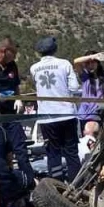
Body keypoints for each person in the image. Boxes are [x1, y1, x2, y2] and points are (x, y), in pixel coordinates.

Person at [29, 36, 82, 181]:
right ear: (55, 49)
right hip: (66, 114)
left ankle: (56, 184)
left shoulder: (34, 68)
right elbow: (74, 87)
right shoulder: (64, 64)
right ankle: (76, 184)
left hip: (46, 117)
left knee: (52, 153)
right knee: (71, 152)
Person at [77, 52, 104, 134]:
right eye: (88, 63)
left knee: (91, 134)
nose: (90, 65)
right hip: (83, 114)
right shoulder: (85, 76)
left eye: (93, 62)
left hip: (98, 113)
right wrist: (93, 56)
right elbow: (76, 62)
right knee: (87, 138)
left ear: (97, 63)